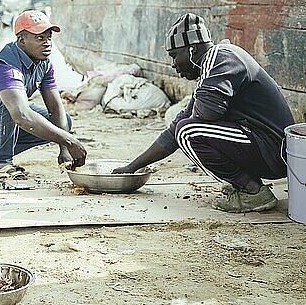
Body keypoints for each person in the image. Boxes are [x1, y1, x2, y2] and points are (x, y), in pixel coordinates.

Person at [113, 13, 295, 213]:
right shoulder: (212, 68)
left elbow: (204, 115)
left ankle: (253, 192)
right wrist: (132, 167)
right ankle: (248, 185)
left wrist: (188, 121)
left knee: (188, 131)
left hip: (273, 151)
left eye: (175, 55)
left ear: (192, 49)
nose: (174, 64)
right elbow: (172, 133)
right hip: (268, 149)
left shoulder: (220, 57)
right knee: (183, 129)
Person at [0, 10, 87, 183]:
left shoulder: (44, 64)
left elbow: (55, 107)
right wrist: (70, 141)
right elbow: (21, 115)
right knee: (9, 104)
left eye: (49, 37)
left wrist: (64, 148)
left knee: (64, 121)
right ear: (22, 41)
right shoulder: (6, 66)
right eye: (39, 38)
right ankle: (0, 164)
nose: (47, 43)